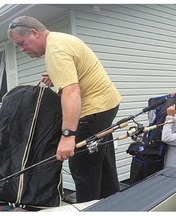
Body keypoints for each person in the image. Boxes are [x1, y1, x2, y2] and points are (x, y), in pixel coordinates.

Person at [7, 16, 122, 203]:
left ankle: (88, 208)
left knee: (84, 172)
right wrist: (56, 77)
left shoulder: (56, 50)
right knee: (103, 165)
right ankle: (114, 203)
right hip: (107, 105)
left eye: (21, 43)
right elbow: (78, 72)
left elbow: (72, 92)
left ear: (34, 33)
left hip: (93, 111)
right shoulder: (61, 39)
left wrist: (68, 136)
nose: (21, 49)